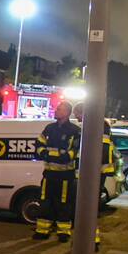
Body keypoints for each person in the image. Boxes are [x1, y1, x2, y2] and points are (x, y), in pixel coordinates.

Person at [34, 101, 81, 242]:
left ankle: (64, 232)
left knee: (64, 203)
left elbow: (72, 153)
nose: (56, 111)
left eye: (59, 109)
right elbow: (38, 144)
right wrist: (47, 154)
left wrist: (49, 155)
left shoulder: (75, 131)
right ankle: (42, 230)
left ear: (66, 112)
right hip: (48, 174)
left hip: (65, 176)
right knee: (45, 202)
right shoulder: (49, 128)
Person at [73, 103, 117, 250]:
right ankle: (86, 239)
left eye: (77, 114)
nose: (76, 118)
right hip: (92, 172)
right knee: (87, 207)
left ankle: (90, 241)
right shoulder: (97, 123)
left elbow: (101, 149)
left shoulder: (98, 124)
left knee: (89, 207)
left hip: (94, 173)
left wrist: (90, 169)